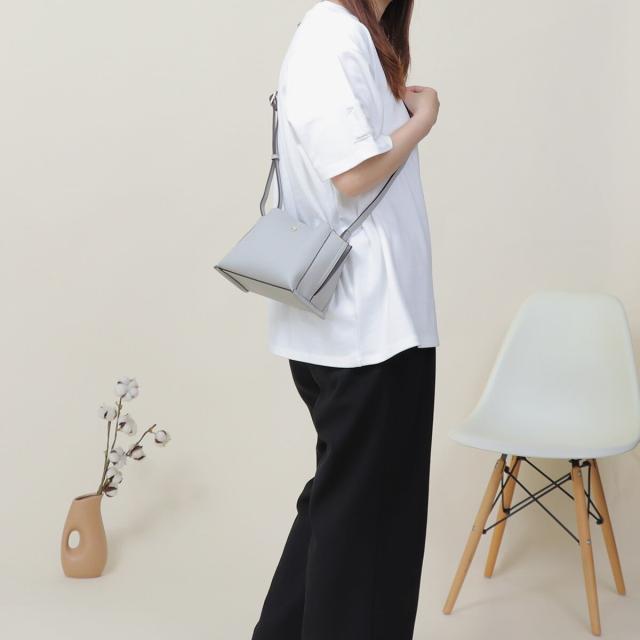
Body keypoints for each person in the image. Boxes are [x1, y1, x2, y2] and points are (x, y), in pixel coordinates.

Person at [253, 1, 440, 638]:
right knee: (368, 528)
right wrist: (423, 119)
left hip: (368, 326)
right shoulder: (331, 35)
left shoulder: (359, 36)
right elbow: (354, 174)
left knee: (342, 509)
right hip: (366, 332)